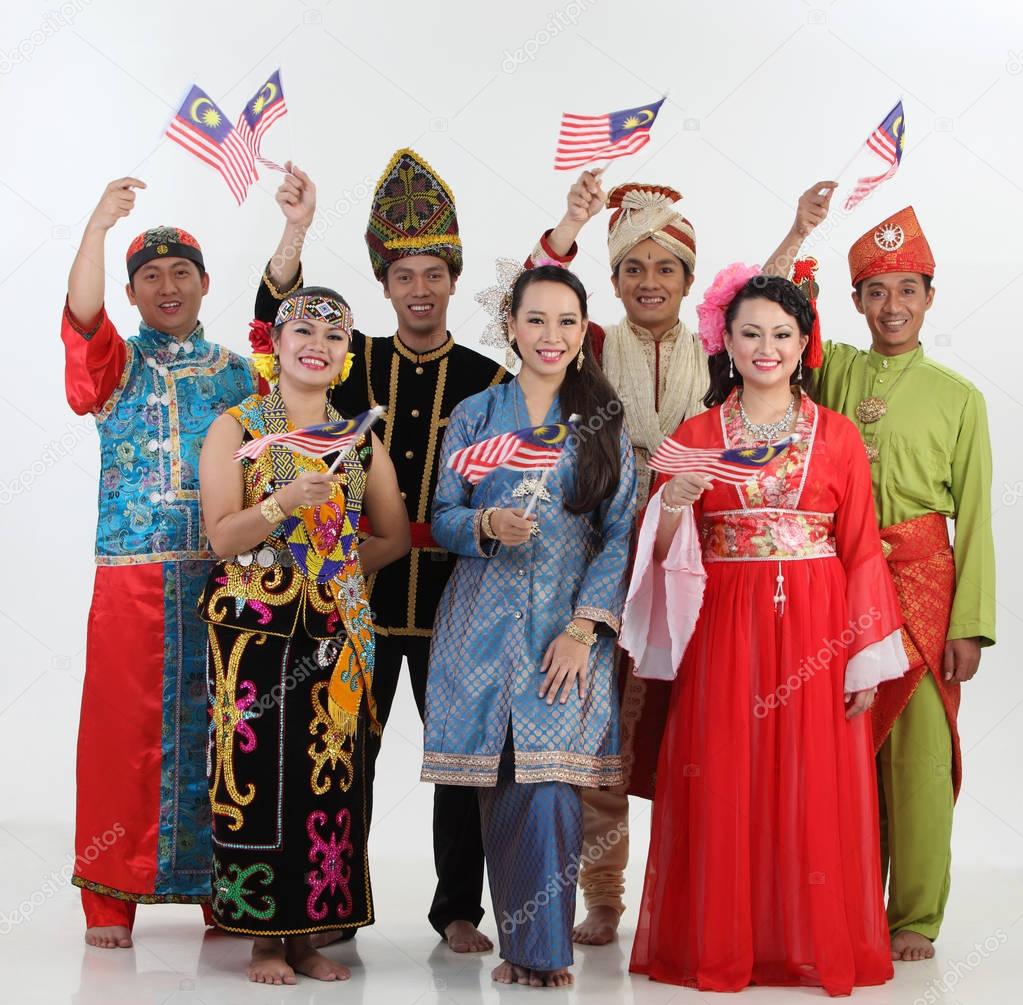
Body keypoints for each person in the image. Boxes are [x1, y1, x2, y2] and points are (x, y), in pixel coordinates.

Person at [521, 172, 834, 944]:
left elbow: (770, 312)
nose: (648, 280)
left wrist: (795, 233)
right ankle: (603, 893)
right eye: (632, 266)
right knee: (599, 735)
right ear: (614, 278)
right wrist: (568, 224)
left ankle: (720, 887)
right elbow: (535, 303)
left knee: (700, 723)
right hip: (600, 553)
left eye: (665, 267)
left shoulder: (716, 350)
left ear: (692, 285)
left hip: (701, 563)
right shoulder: (589, 346)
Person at [623, 268, 909, 995]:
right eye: (749, 332)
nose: (765, 346)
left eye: (781, 333)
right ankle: (724, 943)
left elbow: (860, 549)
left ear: (803, 341)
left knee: (812, 780)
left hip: (818, 631)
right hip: (723, 627)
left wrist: (864, 659)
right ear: (726, 339)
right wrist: (672, 507)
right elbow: (656, 556)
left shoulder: (838, 437)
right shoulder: (694, 434)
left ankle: (806, 940)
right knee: (720, 774)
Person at [252, 154, 507, 952]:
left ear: (453, 278)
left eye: (434, 272)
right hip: (348, 598)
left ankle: (458, 909)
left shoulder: (489, 377)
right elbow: (271, 329)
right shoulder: (349, 361)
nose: (420, 288)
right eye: (404, 274)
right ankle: (327, 904)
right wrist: (293, 231)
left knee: (460, 764)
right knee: (340, 755)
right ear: (384, 281)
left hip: (454, 601)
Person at [788, 196, 996, 961]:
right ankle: (843, 900)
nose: (892, 305)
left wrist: (969, 623)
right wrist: (800, 246)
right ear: (852, 303)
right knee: (842, 745)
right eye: (875, 290)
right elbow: (771, 314)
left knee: (916, 753)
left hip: (925, 590)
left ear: (930, 297)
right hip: (840, 587)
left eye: (908, 288)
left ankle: (914, 913)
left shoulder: (959, 397)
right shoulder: (832, 368)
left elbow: (973, 515)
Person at [422, 265, 637, 987]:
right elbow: (442, 515)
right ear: (510, 325)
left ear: (583, 330)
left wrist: (583, 629)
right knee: (502, 781)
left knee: (549, 782)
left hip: (563, 629)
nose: (551, 335)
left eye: (567, 321)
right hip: (479, 623)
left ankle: (542, 949)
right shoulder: (476, 416)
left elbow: (619, 534)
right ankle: (522, 946)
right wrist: (484, 521)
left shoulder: (602, 420)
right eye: (536, 319)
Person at [63, 178, 256, 948]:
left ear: (205, 283)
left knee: (227, 733)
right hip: (133, 578)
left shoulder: (242, 373)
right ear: (133, 291)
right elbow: (80, 316)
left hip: (222, 572)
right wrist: (96, 228)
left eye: (182, 273)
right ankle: (110, 897)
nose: (167, 286)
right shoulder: (117, 365)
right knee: (121, 735)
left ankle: (225, 887)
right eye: (151, 275)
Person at [198, 286, 409, 984]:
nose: (318, 342)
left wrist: (333, 565)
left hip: (331, 630)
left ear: (346, 354)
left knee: (327, 776)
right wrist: (283, 504)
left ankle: (309, 932)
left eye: (335, 334)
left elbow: (394, 535)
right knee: (257, 777)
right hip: (251, 631)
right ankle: (262, 936)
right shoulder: (238, 424)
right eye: (304, 328)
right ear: (277, 341)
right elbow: (222, 536)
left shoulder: (359, 437)